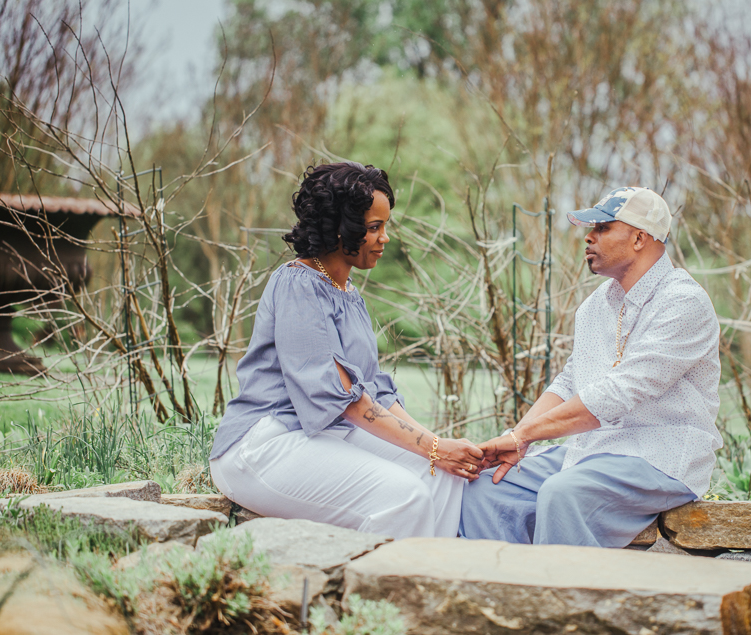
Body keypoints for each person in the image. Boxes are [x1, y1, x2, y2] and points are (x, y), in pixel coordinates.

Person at [210, 161, 483, 539]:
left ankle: (430, 581)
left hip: (326, 435)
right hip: (265, 444)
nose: (385, 238)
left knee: (443, 478)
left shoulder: (348, 293)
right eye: (374, 227)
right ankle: (379, 592)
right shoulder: (297, 285)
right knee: (405, 497)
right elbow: (342, 397)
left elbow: (375, 392)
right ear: (339, 227)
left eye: (385, 226)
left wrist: (440, 448)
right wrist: (436, 447)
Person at [460, 187, 722, 548]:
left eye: (602, 228)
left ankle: (560, 600)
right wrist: (519, 438)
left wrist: (526, 436)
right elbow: (571, 381)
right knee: (485, 490)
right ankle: (498, 594)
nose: (588, 236)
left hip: (661, 455)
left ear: (639, 238)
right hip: (595, 451)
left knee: (563, 494)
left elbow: (620, 391)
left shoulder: (683, 302)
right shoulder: (596, 305)